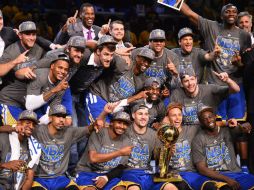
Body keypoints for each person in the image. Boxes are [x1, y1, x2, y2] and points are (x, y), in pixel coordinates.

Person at [180, 2, 251, 122]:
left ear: (237, 15)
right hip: (214, 84)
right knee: (215, 123)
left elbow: (245, 66)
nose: (231, 14)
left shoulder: (244, 36)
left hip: (235, 84)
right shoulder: (211, 26)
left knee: (238, 125)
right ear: (221, 15)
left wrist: (238, 64)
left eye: (234, 12)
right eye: (227, 12)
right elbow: (189, 13)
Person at [31, 104, 102, 190]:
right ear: (50, 118)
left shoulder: (69, 132)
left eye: (63, 117)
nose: (61, 120)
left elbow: (88, 129)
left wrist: (96, 122)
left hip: (60, 178)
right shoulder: (37, 130)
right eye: (58, 116)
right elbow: (19, 128)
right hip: (40, 178)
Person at [114, 102, 177, 190]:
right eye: (140, 114)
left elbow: (158, 161)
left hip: (148, 173)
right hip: (130, 173)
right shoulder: (125, 131)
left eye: (146, 114)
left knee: (171, 187)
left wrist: (167, 153)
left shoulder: (154, 135)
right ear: (133, 115)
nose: (143, 117)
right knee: (134, 189)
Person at [191, 105, 254, 190]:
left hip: (235, 174)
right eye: (204, 119)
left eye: (210, 117)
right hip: (214, 177)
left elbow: (246, 126)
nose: (209, 120)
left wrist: (243, 126)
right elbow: (202, 169)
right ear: (201, 123)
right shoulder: (198, 139)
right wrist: (227, 180)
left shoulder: (227, 131)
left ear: (215, 117)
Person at [86, 47, 154, 124]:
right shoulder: (123, 63)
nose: (146, 64)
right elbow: (104, 56)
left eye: (149, 62)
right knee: (97, 126)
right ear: (137, 58)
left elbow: (127, 100)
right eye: (144, 60)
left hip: (113, 107)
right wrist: (116, 52)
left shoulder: (142, 81)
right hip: (98, 96)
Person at [75, 103, 133, 190]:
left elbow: (120, 167)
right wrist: (119, 152)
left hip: (107, 174)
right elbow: (93, 158)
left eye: (125, 124)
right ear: (111, 123)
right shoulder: (99, 133)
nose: (122, 126)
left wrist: (107, 177)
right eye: (119, 122)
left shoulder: (127, 141)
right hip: (87, 172)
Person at [0, 21, 46, 125]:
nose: (31, 38)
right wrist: (15, 62)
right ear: (20, 35)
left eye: (33, 34)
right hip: (10, 101)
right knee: (16, 132)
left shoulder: (39, 49)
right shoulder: (11, 51)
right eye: (28, 34)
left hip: (28, 102)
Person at [171, 68, 240, 127]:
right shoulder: (176, 94)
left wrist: (228, 80)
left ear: (196, 79)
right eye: (186, 81)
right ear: (182, 84)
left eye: (192, 79)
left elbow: (236, 90)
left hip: (207, 131)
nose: (190, 83)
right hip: (187, 132)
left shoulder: (210, 89)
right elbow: (170, 117)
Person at [0, 110, 39, 190]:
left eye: (33, 124)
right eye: (27, 123)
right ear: (19, 123)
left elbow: (29, 178)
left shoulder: (35, 148)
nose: (31, 126)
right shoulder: (3, 138)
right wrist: (4, 165)